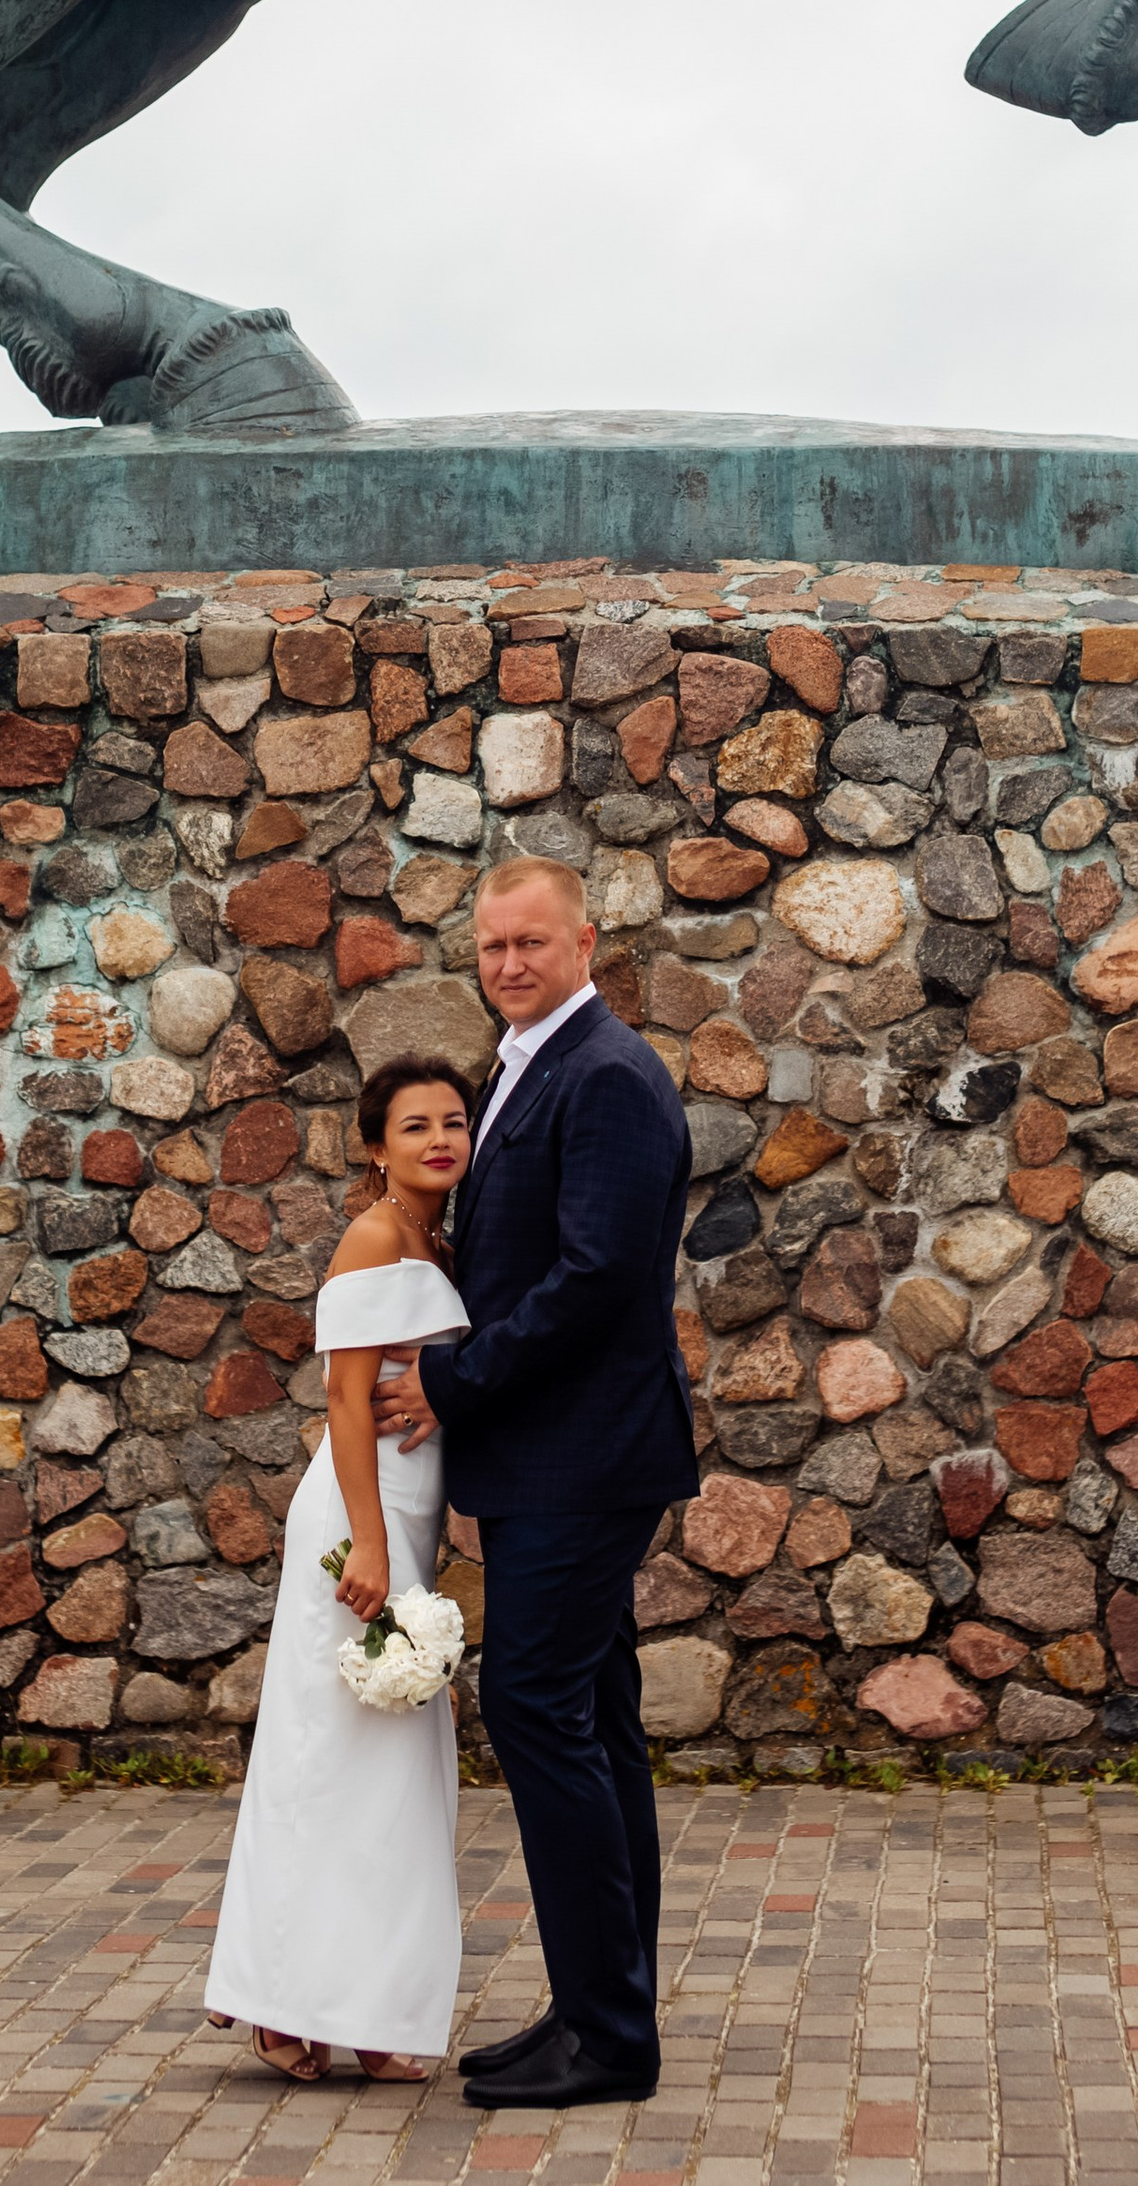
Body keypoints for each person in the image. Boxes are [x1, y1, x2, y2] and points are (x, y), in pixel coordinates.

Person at [375, 855, 697, 2112]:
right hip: (553, 1457)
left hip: (585, 1453)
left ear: (586, 943)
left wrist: (454, 1384)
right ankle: (595, 2006)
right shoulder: (527, 1063)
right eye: (493, 945)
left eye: (532, 943)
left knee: (533, 1703)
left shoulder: (607, 1075)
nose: (510, 964)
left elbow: (596, 1281)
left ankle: (610, 2035)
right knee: (595, 1719)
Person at [203, 1052, 477, 2083]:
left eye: (452, 1121)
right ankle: (281, 2000)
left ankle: (369, 2007)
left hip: (407, 1518)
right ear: (374, 1147)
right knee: (326, 1759)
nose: (439, 1139)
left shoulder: (437, 1239)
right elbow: (348, 1400)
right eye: (414, 1126)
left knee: (395, 1777)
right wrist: (368, 1541)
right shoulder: (372, 1235)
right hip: (358, 1516)